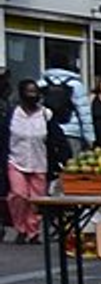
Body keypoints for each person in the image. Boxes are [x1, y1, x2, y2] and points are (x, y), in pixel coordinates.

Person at [6, 82, 48, 242]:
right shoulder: (13, 114)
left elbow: (55, 138)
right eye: (28, 91)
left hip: (39, 162)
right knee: (19, 195)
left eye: (35, 91)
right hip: (16, 160)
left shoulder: (45, 114)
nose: (32, 95)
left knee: (36, 199)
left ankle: (33, 231)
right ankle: (20, 227)